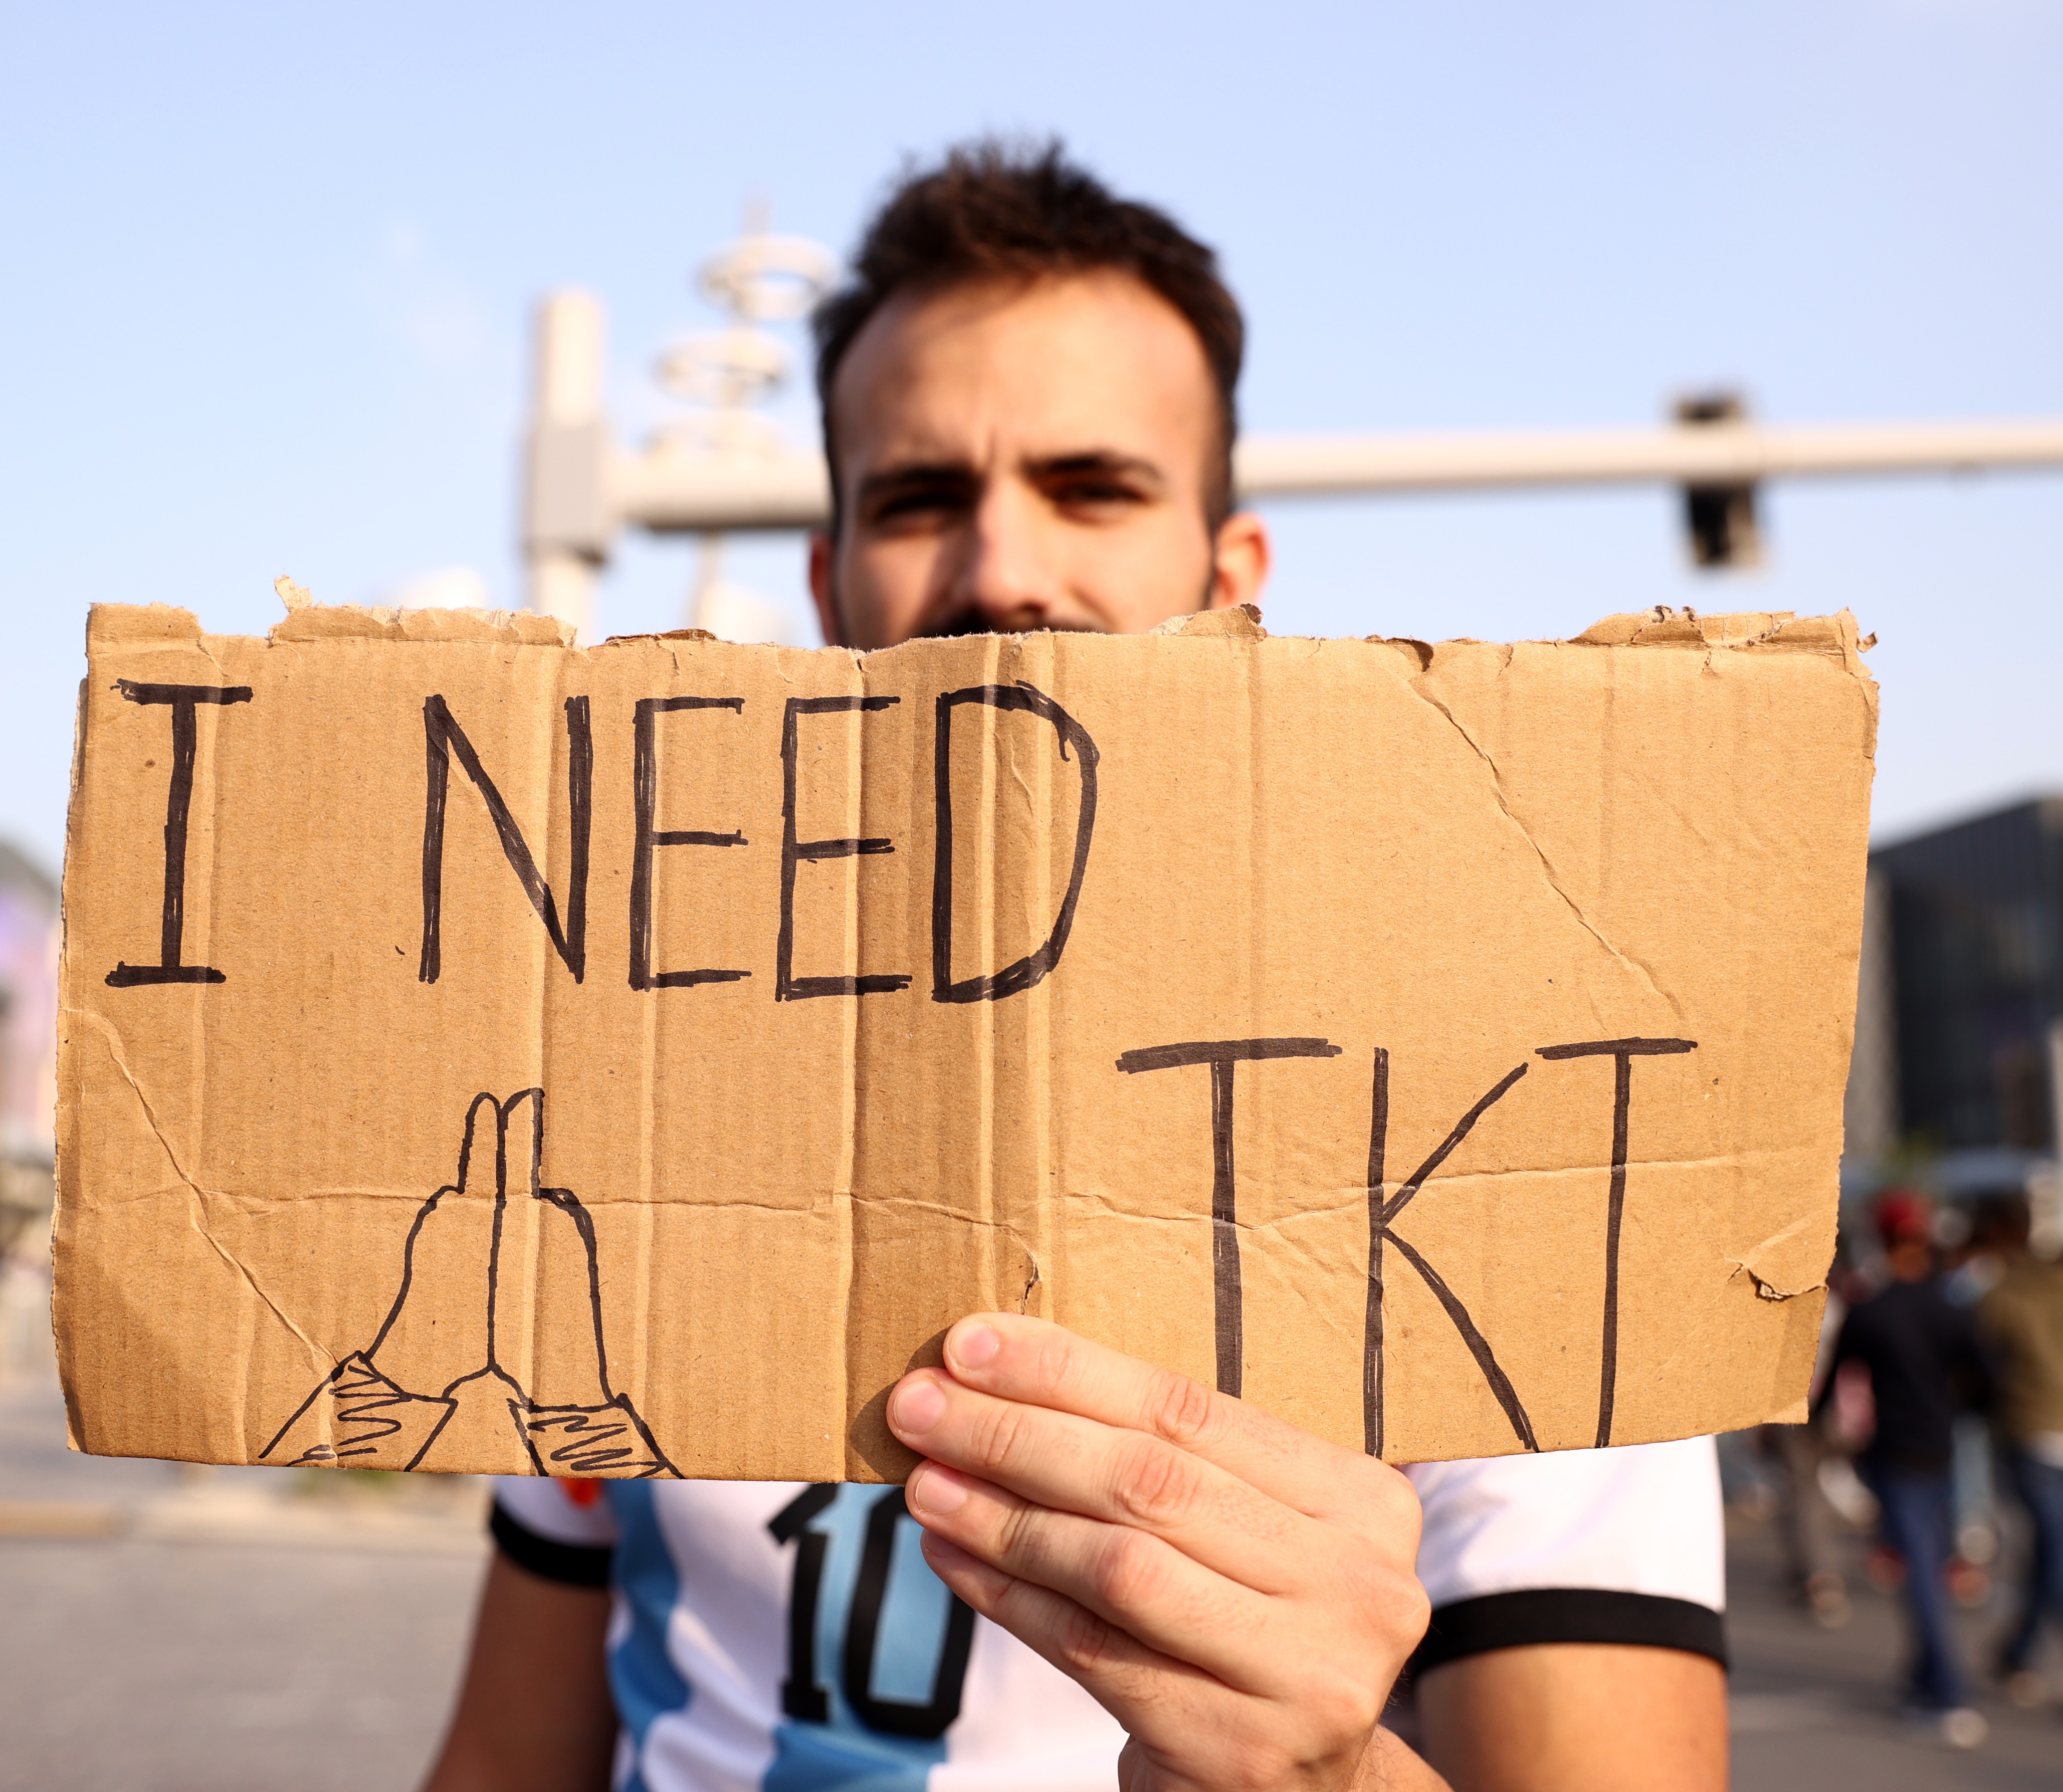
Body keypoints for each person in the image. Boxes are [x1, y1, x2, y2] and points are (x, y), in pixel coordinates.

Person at [423, 141, 1729, 1792]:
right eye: (915, 497)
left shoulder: (1496, 1155)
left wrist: (1324, 1775)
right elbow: (500, 1753)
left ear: (1231, 578)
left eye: (1091, 485)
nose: (1003, 568)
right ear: (828, 588)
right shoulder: (624, 1108)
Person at [1824, 1190, 1993, 1746]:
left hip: (1893, 1457)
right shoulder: (1949, 1307)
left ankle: (1945, 1690)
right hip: (1938, 1450)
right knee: (1927, 1565)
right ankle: (1923, 1678)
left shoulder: (1872, 1312)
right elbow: (1988, 1378)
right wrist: (1960, 1410)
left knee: (1920, 1573)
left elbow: (1828, 1389)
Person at [1978, 1192, 2063, 1707]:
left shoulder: (1998, 1293)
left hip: (2027, 1431)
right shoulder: (2009, 1292)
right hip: (2033, 1433)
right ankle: (2021, 1651)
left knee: (2050, 1553)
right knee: (2053, 1551)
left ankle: (2019, 1649)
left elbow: (1980, 1368)